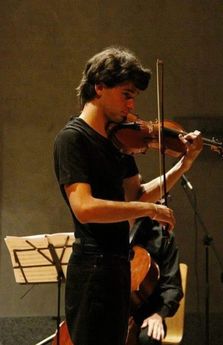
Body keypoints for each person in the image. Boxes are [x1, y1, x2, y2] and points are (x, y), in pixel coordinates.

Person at [53, 46, 202, 345]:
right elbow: (84, 207)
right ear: (99, 88)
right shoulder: (73, 139)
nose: (132, 104)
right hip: (93, 268)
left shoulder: (117, 142)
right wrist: (147, 210)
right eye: (126, 93)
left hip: (119, 266)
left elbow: (140, 194)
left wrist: (183, 165)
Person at [127, 217, 183, 345]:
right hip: (110, 308)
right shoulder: (111, 229)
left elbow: (172, 287)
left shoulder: (163, 236)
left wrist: (158, 315)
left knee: (148, 338)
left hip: (147, 313)